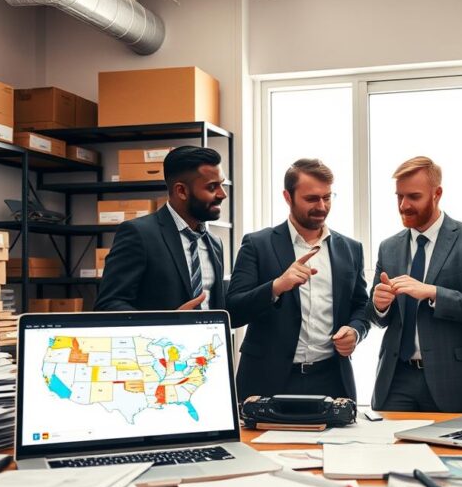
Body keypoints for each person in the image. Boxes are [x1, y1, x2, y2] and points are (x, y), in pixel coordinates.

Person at [227, 159, 370, 401]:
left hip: (332, 380)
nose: (322, 206)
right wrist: (276, 286)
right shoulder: (257, 244)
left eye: (327, 197)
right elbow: (234, 310)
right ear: (287, 197)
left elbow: (361, 306)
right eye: (312, 199)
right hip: (267, 380)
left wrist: (355, 332)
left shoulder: (351, 249)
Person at [367, 157, 462, 412]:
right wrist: (379, 305)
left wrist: (433, 293)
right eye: (399, 197)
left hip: (454, 380)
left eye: (413, 196)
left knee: (450, 453)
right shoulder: (388, 247)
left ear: (437, 194)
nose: (404, 205)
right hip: (395, 380)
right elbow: (377, 318)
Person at [95, 146, 227, 311]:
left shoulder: (215, 244)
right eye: (212, 187)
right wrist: (167, 325)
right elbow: (108, 305)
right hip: (159, 338)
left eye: (222, 185)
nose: (223, 194)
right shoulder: (138, 234)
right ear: (181, 191)